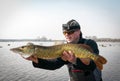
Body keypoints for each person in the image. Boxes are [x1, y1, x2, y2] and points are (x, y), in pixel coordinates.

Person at [25, 19, 102, 81]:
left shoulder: (90, 43)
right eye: (65, 33)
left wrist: (75, 61)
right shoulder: (64, 48)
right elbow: (54, 64)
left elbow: (92, 66)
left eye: (70, 32)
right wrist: (37, 60)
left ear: (78, 32)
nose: (67, 35)